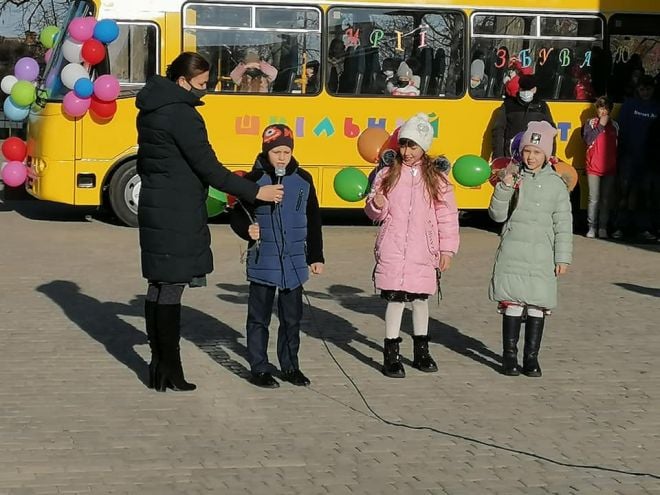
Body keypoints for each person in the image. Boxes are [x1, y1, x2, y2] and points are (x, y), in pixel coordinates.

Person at [136, 52, 283, 392]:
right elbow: (209, 168)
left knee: (159, 285)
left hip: (157, 204)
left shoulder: (150, 108)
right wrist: (254, 192)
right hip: (177, 210)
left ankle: (160, 366)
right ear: (183, 81)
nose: (204, 91)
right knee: (171, 287)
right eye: (201, 85)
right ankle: (170, 369)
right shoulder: (181, 114)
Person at [365, 113, 460, 378]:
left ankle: (422, 351)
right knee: (395, 299)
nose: (406, 152)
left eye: (413, 146)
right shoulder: (387, 173)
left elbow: (447, 215)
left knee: (420, 300)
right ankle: (391, 354)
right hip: (393, 248)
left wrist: (447, 249)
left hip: (423, 250)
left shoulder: (437, 179)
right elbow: (373, 210)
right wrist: (377, 205)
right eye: (404, 144)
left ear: (424, 148)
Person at [230, 124, 324, 388]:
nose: (282, 157)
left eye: (286, 151)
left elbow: (313, 218)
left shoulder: (303, 180)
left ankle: (290, 365)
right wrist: (247, 230)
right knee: (258, 317)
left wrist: (316, 255)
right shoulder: (252, 180)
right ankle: (259, 366)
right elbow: (238, 214)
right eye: (276, 152)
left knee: (292, 319)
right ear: (266, 151)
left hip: (293, 262)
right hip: (264, 260)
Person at [488, 121, 573, 378]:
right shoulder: (513, 178)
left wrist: (563, 257)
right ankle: (509, 356)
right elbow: (496, 215)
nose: (531, 157)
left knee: (538, 304)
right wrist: (504, 188)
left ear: (546, 155)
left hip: (542, 254)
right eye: (527, 151)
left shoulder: (556, 184)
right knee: (512, 303)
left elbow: (563, 223)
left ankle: (531, 358)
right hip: (514, 250)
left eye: (537, 152)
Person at [613, 75, 659, 241]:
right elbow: (620, 130)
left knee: (645, 196)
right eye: (642, 89)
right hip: (628, 157)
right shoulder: (629, 106)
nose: (645, 92)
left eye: (648, 89)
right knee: (624, 194)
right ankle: (619, 226)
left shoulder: (657, 108)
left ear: (653, 90)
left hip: (649, 160)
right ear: (637, 89)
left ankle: (644, 228)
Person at [492, 74, 555, 159]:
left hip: (534, 157)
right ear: (519, 89)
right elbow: (498, 131)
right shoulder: (508, 105)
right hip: (511, 154)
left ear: (535, 89)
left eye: (529, 89)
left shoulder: (541, 107)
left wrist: (551, 156)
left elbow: (550, 132)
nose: (526, 92)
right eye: (523, 89)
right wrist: (499, 157)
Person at [582, 96, 618, 238]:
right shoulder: (590, 123)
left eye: (605, 108)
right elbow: (587, 139)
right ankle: (591, 227)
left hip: (610, 167)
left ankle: (603, 227)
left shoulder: (615, 125)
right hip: (593, 167)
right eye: (600, 108)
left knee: (606, 199)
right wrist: (600, 126)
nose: (603, 111)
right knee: (593, 198)